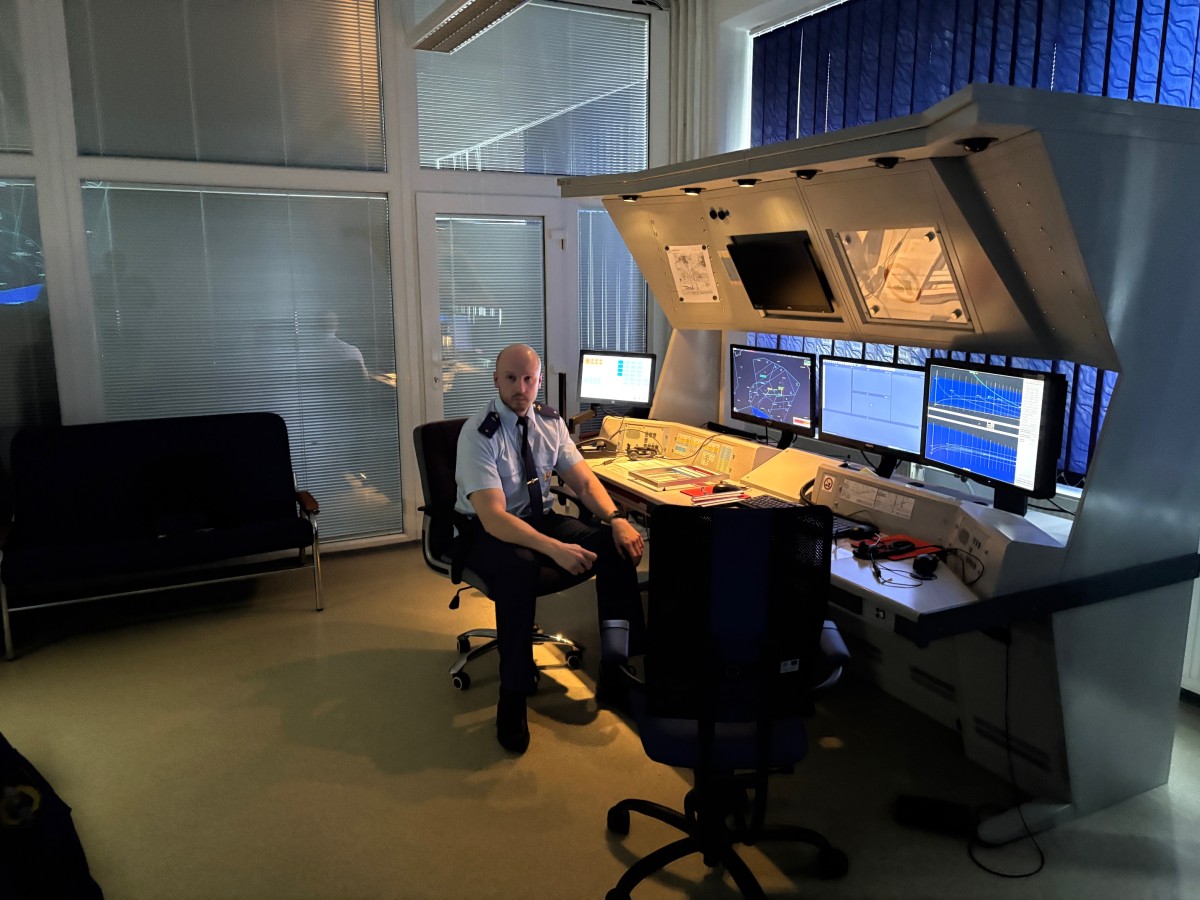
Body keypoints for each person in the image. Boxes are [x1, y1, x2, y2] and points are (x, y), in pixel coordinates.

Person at [455, 343, 646, 754]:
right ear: (496, 380)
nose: (520, 388)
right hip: (485, 531)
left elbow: (584, 482)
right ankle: (513, 693)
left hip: (538, 518)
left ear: (539, 381)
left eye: (528, 379)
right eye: (511, 378)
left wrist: (617, 519)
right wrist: (556, 549)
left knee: (614, 546)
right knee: (519, 569)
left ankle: (616, 669)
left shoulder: (549, 422)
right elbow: (494, 518)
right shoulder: (478, 433)